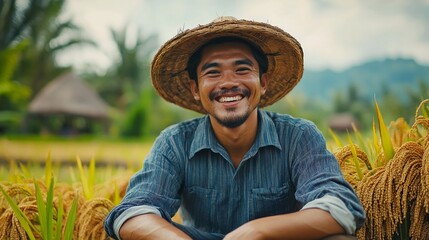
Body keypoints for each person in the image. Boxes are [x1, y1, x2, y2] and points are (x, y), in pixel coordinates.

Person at [104, 16, 365, 240]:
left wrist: (257, 231)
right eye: (213, 73)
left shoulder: (298, 136)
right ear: (196, 89)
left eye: (242, 69)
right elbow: (131, 213)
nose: (228, 83)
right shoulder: (174, 143)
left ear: (262, 82)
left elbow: (341, 206)